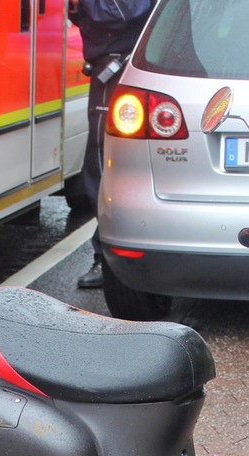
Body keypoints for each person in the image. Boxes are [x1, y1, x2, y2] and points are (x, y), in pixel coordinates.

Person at [69, 0, 153, 289]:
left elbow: (121, 11)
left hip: (118, 70)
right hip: (112, 68)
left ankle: (107, 260)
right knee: (103, 168)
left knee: (102, 167)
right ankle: (108, 256)